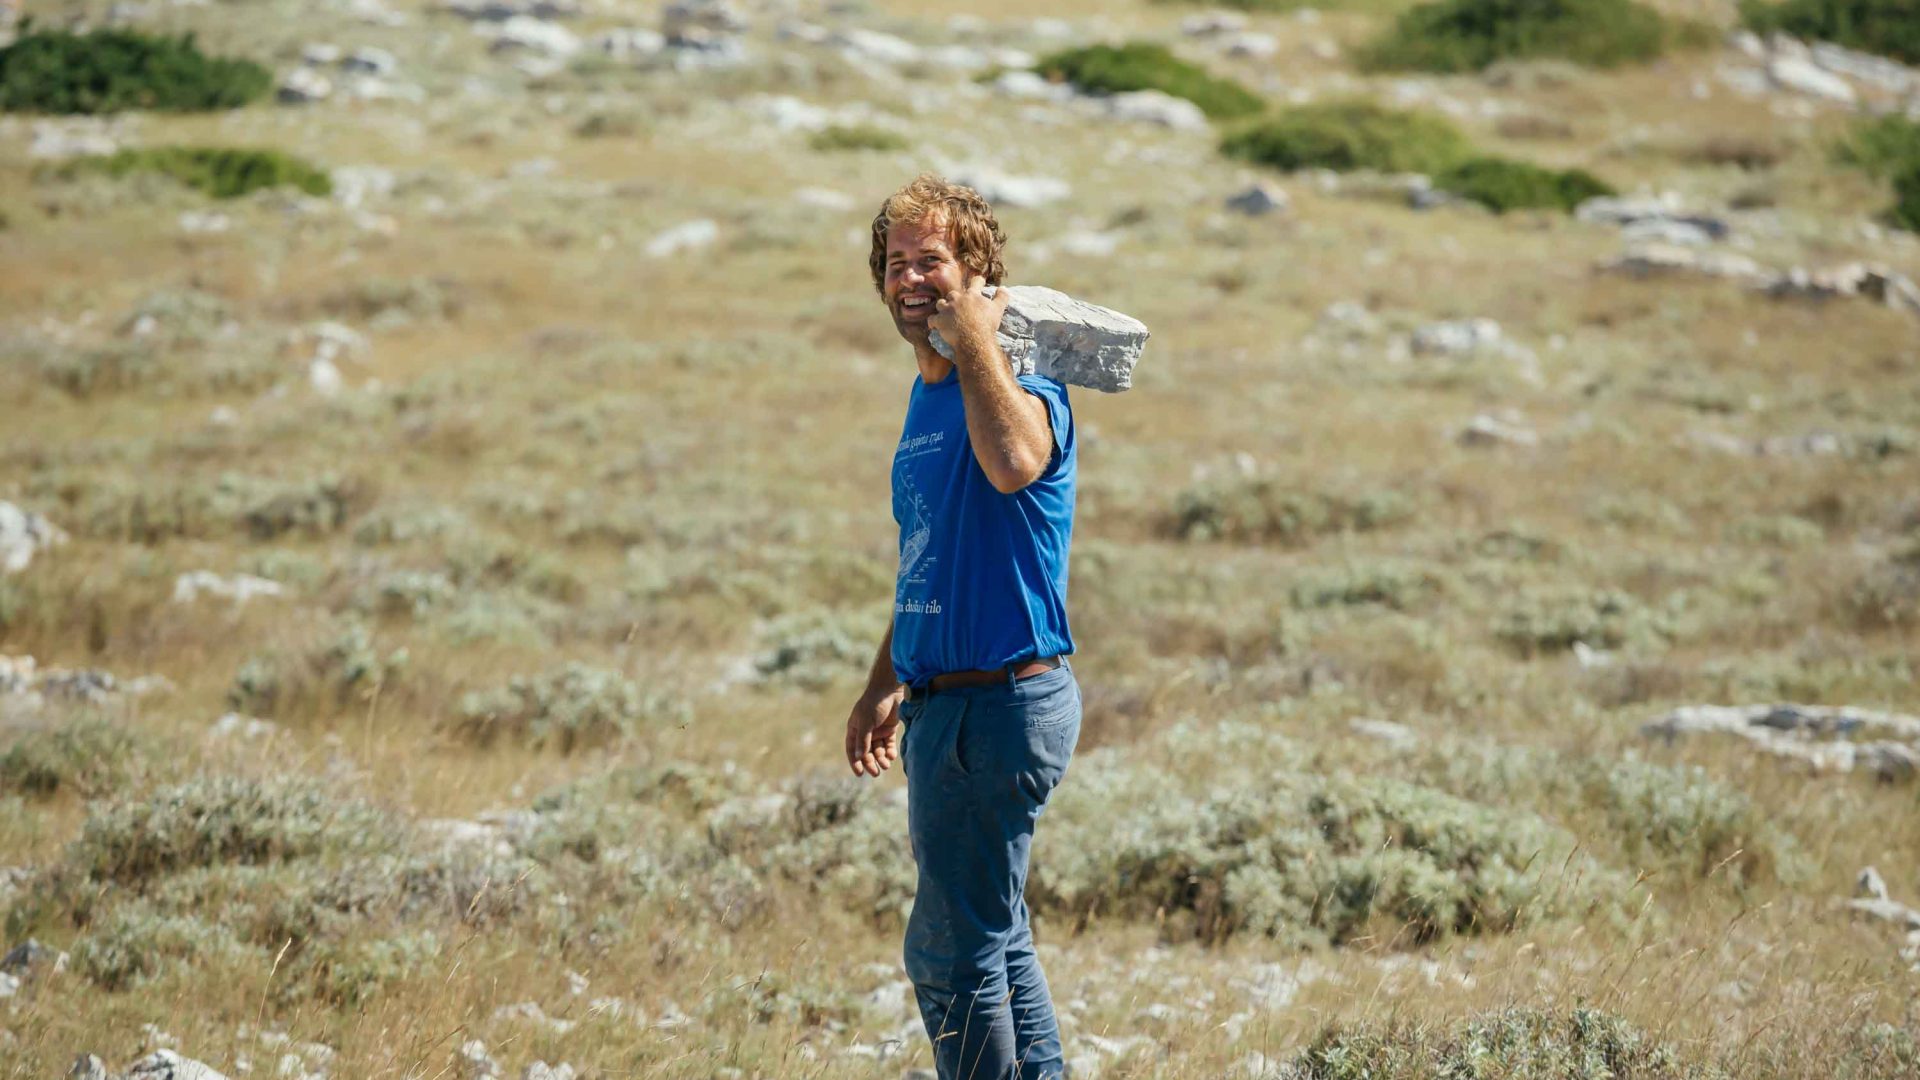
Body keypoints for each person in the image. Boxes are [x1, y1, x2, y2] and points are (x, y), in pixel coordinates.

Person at [843, 173, 1082, 1080]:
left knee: (950, 957)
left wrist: (978, 337)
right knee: (996, 938)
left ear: (978, 270)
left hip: (1003, 706)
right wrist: (886, 677)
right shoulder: (925, 401)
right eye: (896, 264)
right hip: (949, 706)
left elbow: (1018, 463)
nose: (912, 279)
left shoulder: (1026, 383)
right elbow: (926, 553)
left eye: (933, 260)